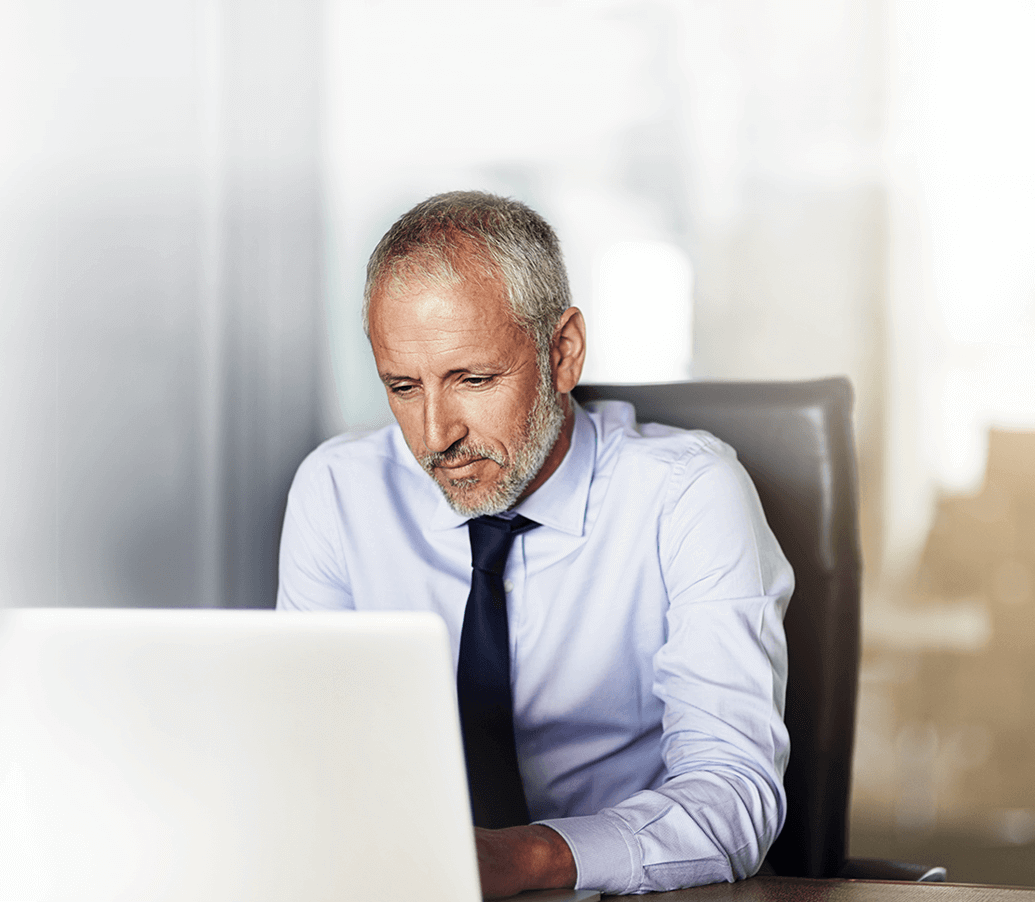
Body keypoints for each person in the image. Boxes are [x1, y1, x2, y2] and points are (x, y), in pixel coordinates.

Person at [276, 191, 792, 897]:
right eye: (402, 386)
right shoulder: (337, 493)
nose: (435, 436)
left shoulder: (688, 495)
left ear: (562, 352)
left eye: (473, 379)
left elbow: (734, 794)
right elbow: (302, 759)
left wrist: (521, 860)